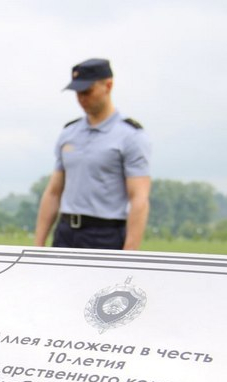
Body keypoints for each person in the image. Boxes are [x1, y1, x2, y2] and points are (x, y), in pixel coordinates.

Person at [34, 58, 152, 250]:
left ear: (108, 85)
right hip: (65, 234)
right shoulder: (68, 133)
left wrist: (129, 255)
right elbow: (54, 192)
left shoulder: (131, 136)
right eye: (77, 93)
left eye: (87, 91)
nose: (81, 98)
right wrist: (37, 246)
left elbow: (139, 198)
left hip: (105, 235)